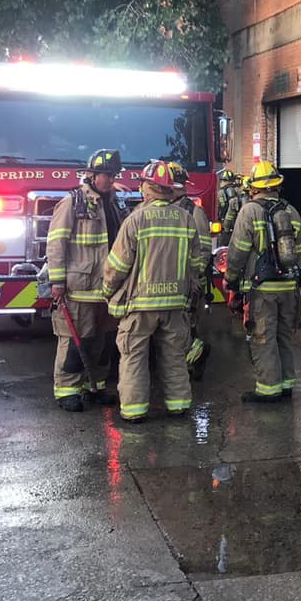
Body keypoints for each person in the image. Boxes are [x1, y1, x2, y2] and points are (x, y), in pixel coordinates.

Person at [101, 160, 204, 423]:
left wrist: (107, 290)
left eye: (143, 185)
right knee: (174, 357)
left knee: (134, 356)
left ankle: (134, 412)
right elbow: (195, 266)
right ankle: (178, 406)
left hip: (140, 305)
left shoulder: (136, 219)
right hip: (176, 305)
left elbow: (118, 265)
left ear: (149, 188)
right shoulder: (186, 219)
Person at [44, 149, 123, 411]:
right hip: (79, 287)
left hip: (106, 288)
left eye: (113, 175)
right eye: (106, 175)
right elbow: (56, 243)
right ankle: (67, 391)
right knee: (74, 339)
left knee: (102, 340)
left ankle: (95, 387)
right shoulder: (72, 202)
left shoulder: (111, 202)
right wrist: (57, 282)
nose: (111, 180)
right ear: (91, 175)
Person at [223, 161, 301, 404]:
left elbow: (238, 251)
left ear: (253, 188)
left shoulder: (249, 211)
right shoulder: (292, 212)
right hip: (289, 287)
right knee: (284, 336)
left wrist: (230, 278)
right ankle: (287, 384)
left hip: (262, 288)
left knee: (263, 337)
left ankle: (269, 390)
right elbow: (298, 251)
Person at [169, 162, 213, 379]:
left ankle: (194, 358)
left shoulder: (194, 212)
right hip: (169, 282)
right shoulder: (164, 210)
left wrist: (193, 280)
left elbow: (204, 251)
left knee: (185, 326)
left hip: (188, 282)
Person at [217, 169, 247, 246]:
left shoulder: (220, 193)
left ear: (222, 181)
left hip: (225, 226)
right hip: (238, 224)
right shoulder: (239, 191)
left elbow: (218, 209)